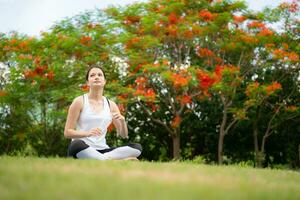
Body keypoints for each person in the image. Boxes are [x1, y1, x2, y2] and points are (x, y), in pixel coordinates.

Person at [64, 65, 142, 160]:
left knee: (137, 148)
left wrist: (122, 121)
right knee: (75, 144)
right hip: (83, 148)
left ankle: (102, 159)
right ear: (88, 82)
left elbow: (123, 135)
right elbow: (67, 132)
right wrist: (87, 133)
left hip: (103, 149)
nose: (96, 77)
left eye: (100, 75)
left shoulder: (111, 105)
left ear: (104, 81)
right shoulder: (79, 101)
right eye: (92, 75)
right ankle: (114, 161)